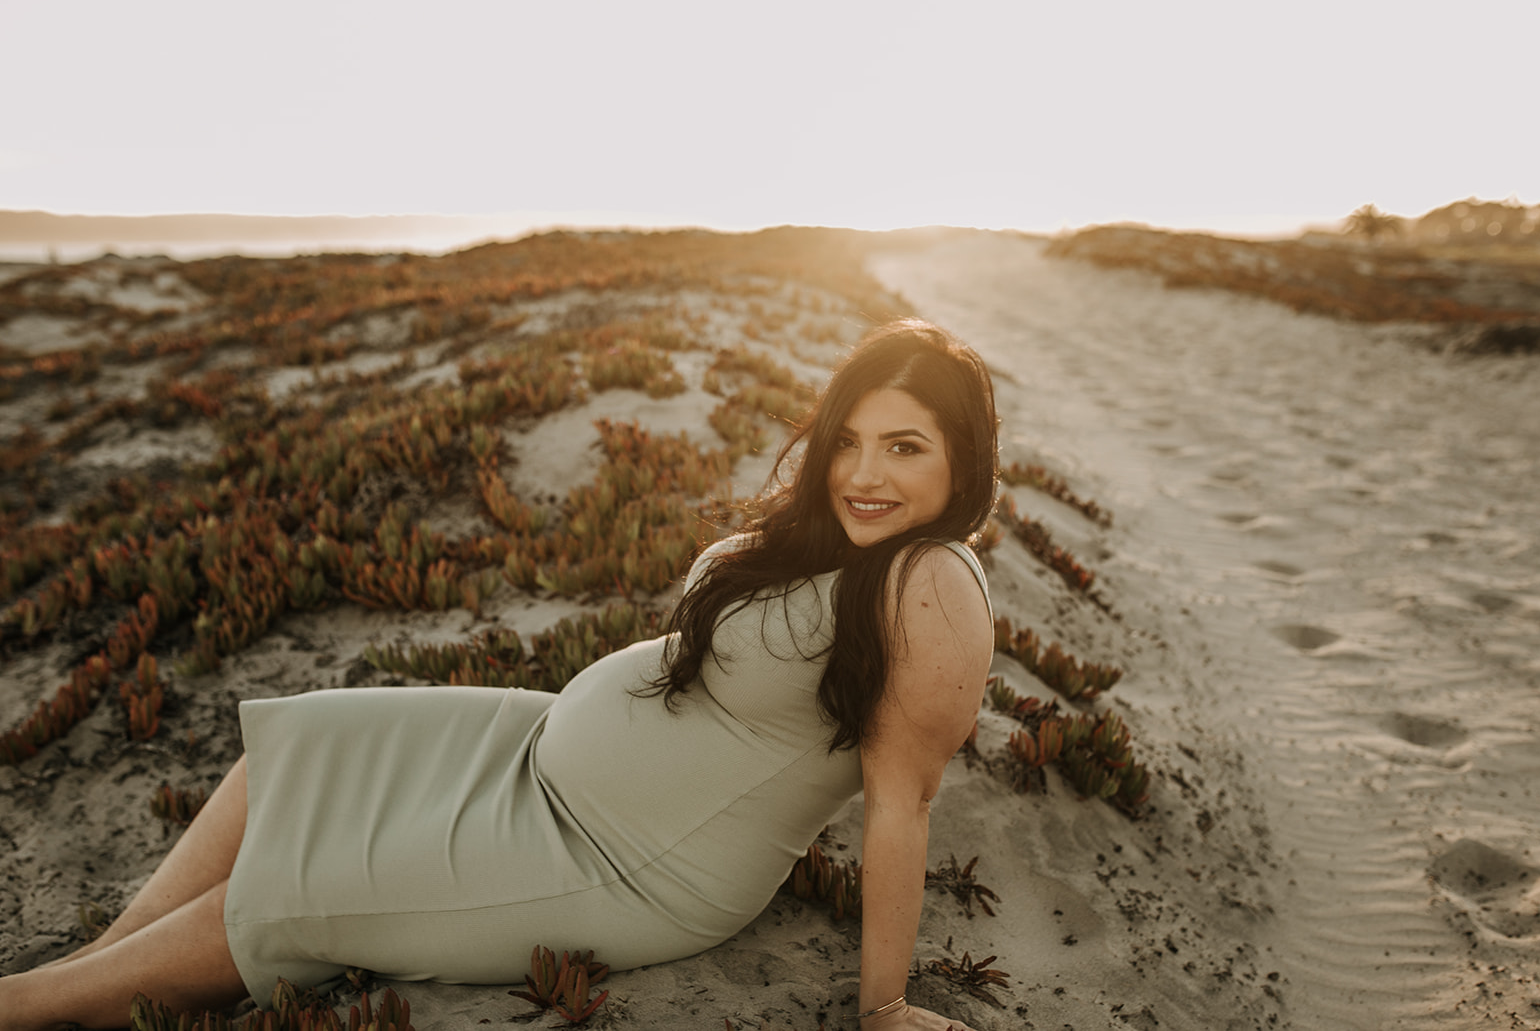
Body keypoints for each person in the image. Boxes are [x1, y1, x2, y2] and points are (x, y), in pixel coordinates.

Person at [0, 319, 999, 1031]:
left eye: (904, 447)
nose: (863, 473)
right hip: (529, 755)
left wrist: (884, 1007)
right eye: (851, 441)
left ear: (962, 463)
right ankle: (94, 968)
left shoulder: (933, 580)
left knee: (303, 891)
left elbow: (900, 801)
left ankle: (32, 1005)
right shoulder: (832, 535)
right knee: (299, 752)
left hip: (627, 861)